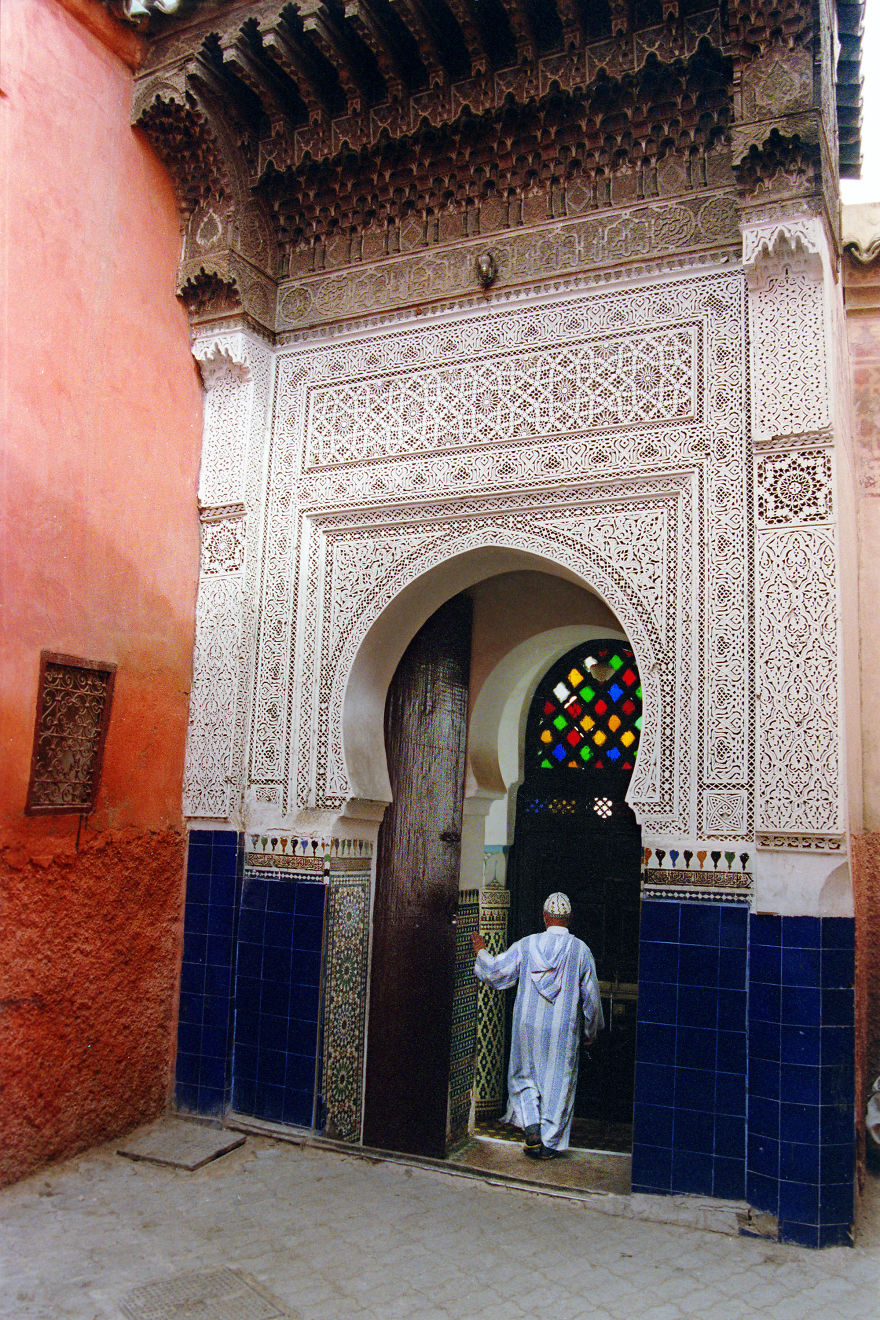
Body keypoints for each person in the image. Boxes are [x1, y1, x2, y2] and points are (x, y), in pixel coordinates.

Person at [472, 892, 603, 1159]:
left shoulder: (526, 945)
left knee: (524, 1076)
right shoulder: (581, 950)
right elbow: (591, 998)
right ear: (570, 919)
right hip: (563, 1031)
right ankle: (549, 1144)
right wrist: (591, 1031)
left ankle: (531, 1126)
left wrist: (481, 951)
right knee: (559, 1082)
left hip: (528, 1026)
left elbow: (497, 971)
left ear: (545, 917)